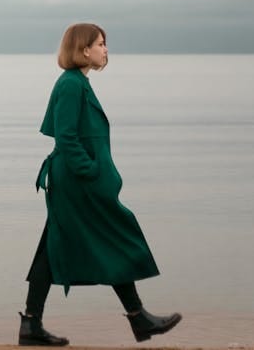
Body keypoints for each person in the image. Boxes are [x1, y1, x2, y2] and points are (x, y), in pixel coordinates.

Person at [18, 23, 182, 346]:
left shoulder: (78, 83)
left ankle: (32, 325)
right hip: (76, 182)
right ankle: (138, 318)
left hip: (77, 181)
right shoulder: (70, 85)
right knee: (112, 237)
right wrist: (90, 171)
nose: (106, 50)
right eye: (101, 44)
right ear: (83, 50)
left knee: (57, 248)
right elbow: (66, 136)